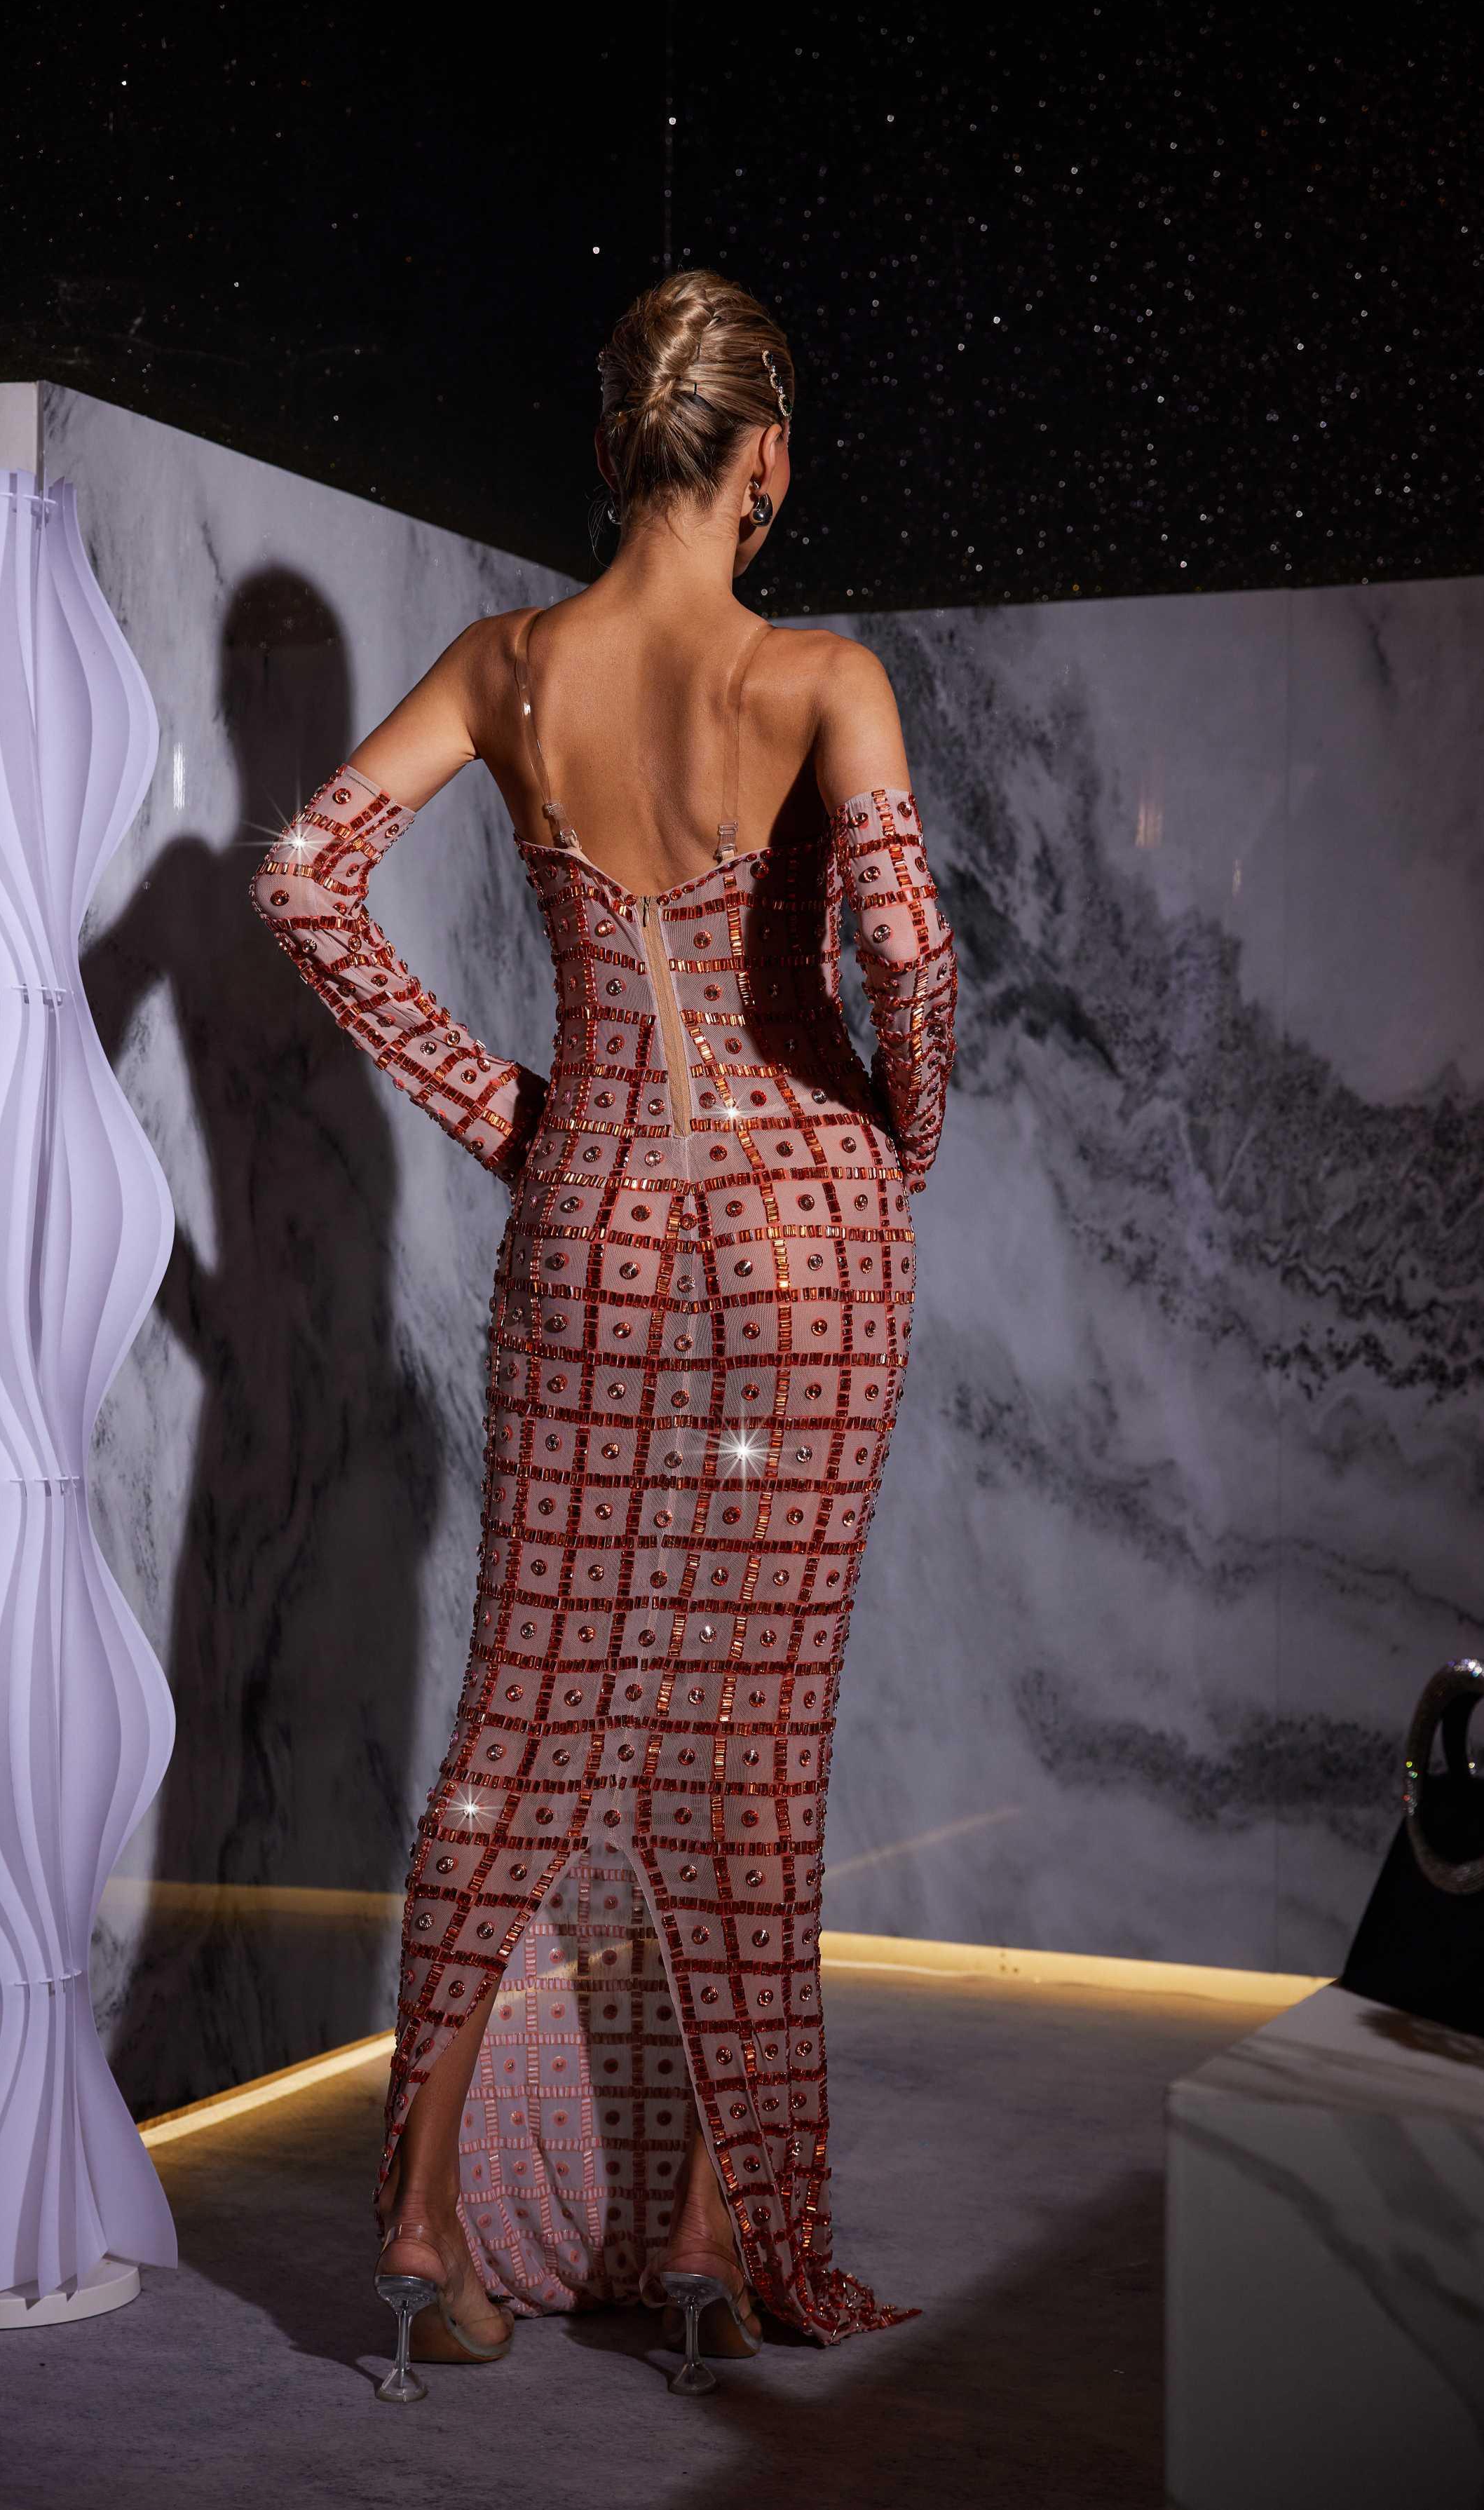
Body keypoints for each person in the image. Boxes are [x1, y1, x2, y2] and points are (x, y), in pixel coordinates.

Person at [250, 268, 958, 2403]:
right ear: (764, 464)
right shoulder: (821, 674)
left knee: (521, 1720)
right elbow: (905, 951)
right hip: (807, 1230)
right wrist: (900, 1134)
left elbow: (304, 880)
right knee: (749, 1733)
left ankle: (421, 2216)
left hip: (596, 1225)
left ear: (607, 448)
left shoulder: (510, 667)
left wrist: (512, 1113)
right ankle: (713, 2240)